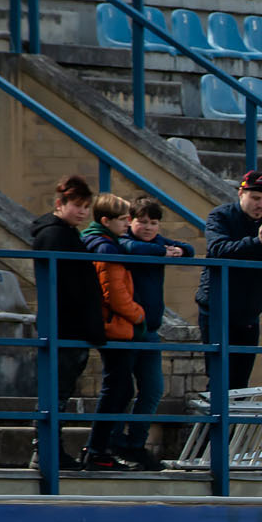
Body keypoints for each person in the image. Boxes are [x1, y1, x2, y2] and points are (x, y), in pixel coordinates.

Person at [26, 174, 104, 468]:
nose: (83, 212)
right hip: (64, 326)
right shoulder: (56, 236)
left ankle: (48, 451)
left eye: (87, 207)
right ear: (60, 204)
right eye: (78, 205)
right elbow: (71, 287)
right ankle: (45, 452)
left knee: (58, 391)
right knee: (55, 392)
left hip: (67, 326)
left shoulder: (65, 234)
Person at [102, 195, 185, 469]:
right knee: (121, 389)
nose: (148, 227)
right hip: (127, 330)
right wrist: (163, 251)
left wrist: (170, 249)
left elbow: (188, 249)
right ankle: (111, 441)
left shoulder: (157, 243)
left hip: (150, 330)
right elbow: (133, 248)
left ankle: (136, 444)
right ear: (129, 222)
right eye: (142, 222)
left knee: (152, 389)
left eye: (154, 223)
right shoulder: (123, 244)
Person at [197, 169, 262, 390]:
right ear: (241, 193)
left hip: (249, 311)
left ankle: (232, 425)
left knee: (240, 383)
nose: (260, 205)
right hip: (217, 308)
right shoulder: (220, 216)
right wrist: (258, 241)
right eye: (255, 198)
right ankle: (216, 425)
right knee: (219, 377)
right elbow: (219, 250)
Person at [80, 194, 148, 471]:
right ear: (106, 221)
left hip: (114, 327)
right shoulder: (106, 249)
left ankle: (100, 449)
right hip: (115, 328)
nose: (128, 223)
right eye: (123, 219)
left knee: (121, 388)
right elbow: (115, 296)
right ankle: (97, 451)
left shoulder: (104, 243)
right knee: (117, 388)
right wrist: (139, 315)